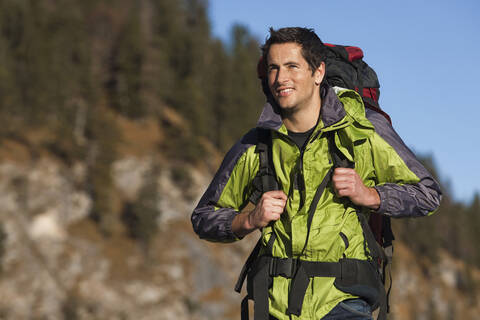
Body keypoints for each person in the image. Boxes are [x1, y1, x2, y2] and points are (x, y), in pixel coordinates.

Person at [191, 27, 441, 320]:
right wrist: (248, 219)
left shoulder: (362, 130)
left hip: (344, 302)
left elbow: (428, 194)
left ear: (318, 72)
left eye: (292, 66)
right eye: (274, 68)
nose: (281, 78)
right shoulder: (256, 144)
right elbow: (203, 216)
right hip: (274, 307)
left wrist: (370, 195)